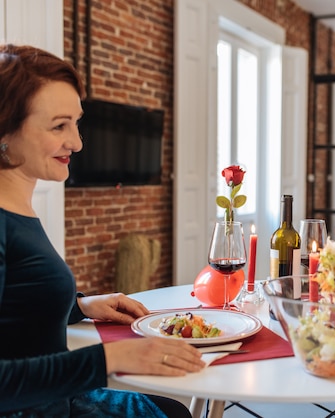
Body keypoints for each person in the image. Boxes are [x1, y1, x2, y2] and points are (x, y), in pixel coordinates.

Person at [0, 44, 206, 417]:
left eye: (76, 123)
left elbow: (12, 313)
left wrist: (80, 306)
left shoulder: (17, 207)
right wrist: (110, 357)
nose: (77, 142)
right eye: (58, 126)